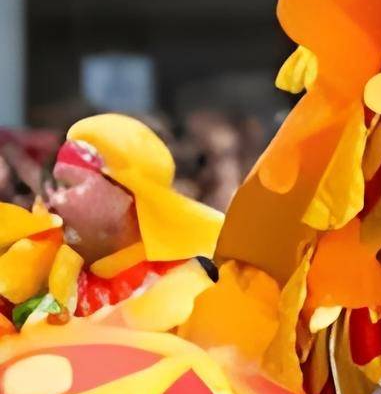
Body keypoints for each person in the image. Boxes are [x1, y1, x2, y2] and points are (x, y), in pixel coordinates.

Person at [6, 114, 222, 332]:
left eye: (68, 185)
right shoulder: (56, 275)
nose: (51, 202)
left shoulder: (184, 287)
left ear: (128, 194)